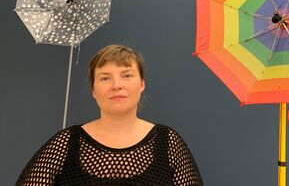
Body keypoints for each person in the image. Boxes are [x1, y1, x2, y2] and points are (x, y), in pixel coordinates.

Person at [16, 44, 203, 185]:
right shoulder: (66, 143)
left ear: (142, 84)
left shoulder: (168, 142)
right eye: (105, 78)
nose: (116, 85)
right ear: (94, 91)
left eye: (127, 75)